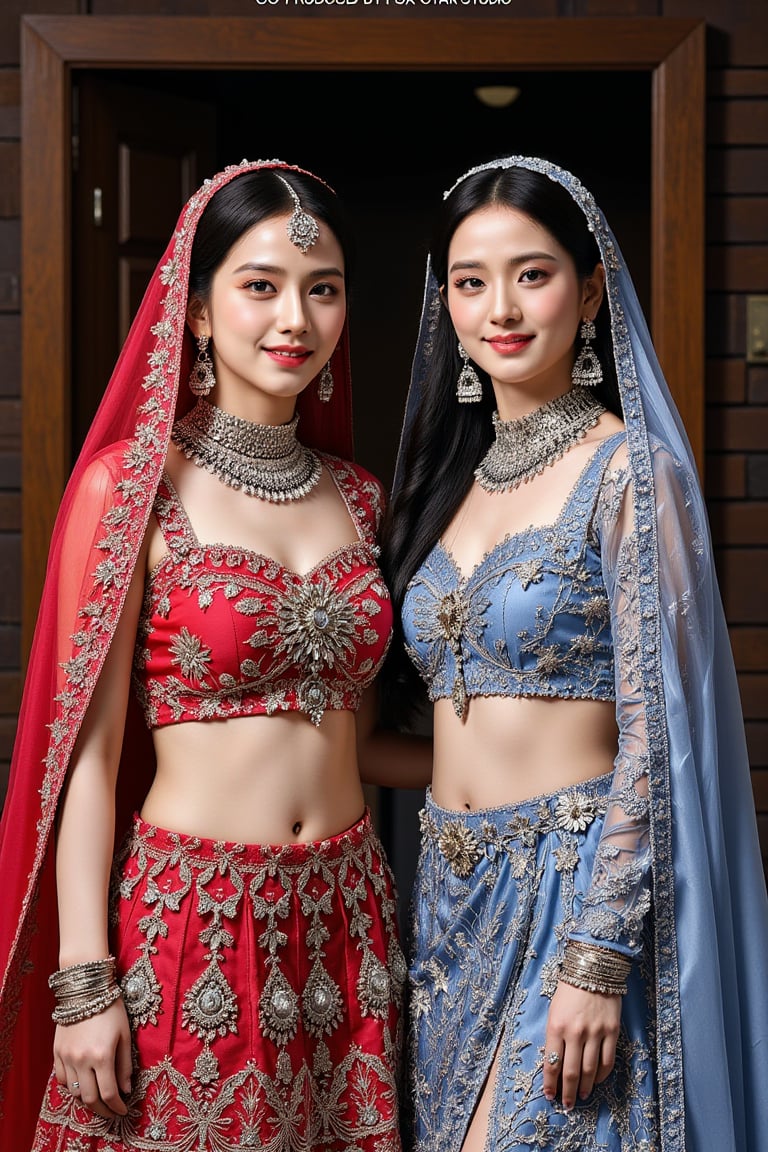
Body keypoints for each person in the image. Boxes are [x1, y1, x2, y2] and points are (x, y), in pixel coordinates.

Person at [0, 159, 405, 1152]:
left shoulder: (361, 498)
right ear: (195, 309)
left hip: (349, 923)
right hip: (196, 925)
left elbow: (354, 731)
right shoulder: (130, 490)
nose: (295, 319)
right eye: (260, 286)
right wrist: (84, 982)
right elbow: (87, 756)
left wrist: (538, 775)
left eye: (323, 290)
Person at [380, 155, 768, 1151]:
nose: (499, 307)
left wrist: (597, 953)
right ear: (447, 306)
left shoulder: (630, 474)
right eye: (471, 281)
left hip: (574, 888)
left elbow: (657, 733)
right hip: (449, 901)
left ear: (590, 290)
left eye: (533, 273)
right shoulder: (439, 488)